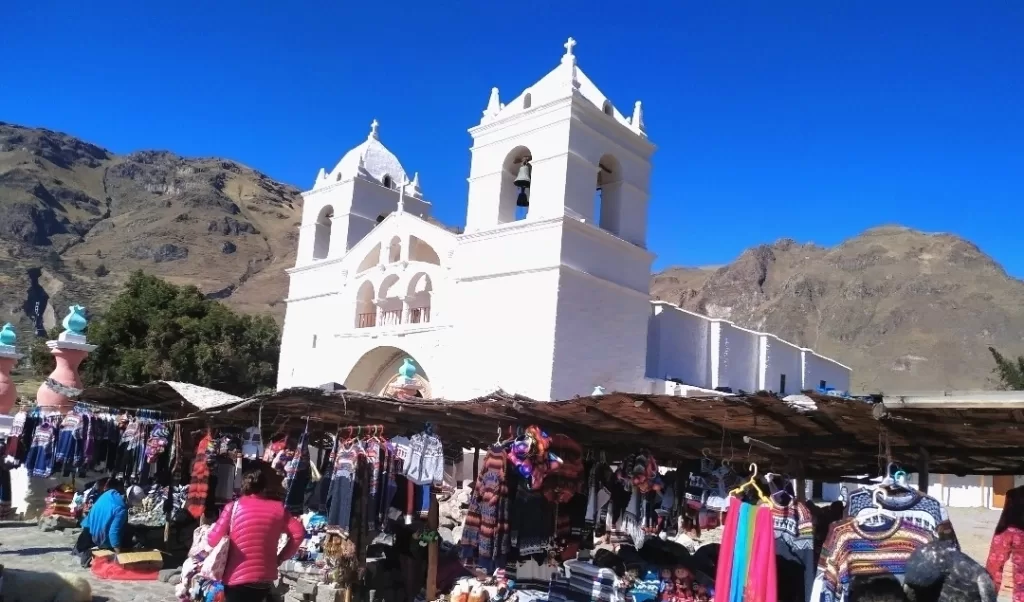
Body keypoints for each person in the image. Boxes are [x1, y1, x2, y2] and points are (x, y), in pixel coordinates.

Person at [207, 461, 304, 602]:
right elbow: (299, 533)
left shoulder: (232, 507)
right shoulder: (278, 509)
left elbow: (212, 540)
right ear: (264, 487)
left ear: (244, 486)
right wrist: (281, 557)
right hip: (264, 578)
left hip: (236, 577)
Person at [75, 480, 145, 567]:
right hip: (98, 537)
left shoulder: (110, 493)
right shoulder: (121, 510)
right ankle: (95, 551)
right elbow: (113, 532)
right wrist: (119, 554)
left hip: (88, 528)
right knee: (128, 533)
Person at [987, 486, 1024, 602]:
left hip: (1010, 527)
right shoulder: (1014, 495)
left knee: (994, 568)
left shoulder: (1014, 495)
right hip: (1010, 527)